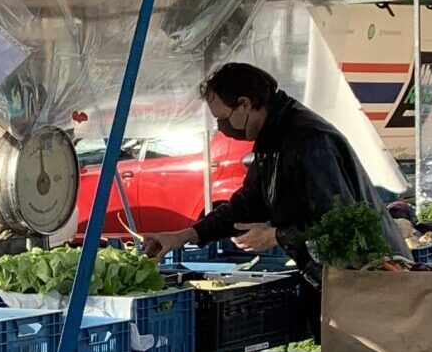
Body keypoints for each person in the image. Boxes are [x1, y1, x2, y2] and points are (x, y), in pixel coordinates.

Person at [143, 60, 395, 270]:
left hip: (371, 273)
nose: (222, 128)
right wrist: (182, 236)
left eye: (223, 118)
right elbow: (247, 205)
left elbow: (339, 221)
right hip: (338, 273)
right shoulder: (273, 138)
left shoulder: (307, 141)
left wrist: (275, 235)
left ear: (245, 104)